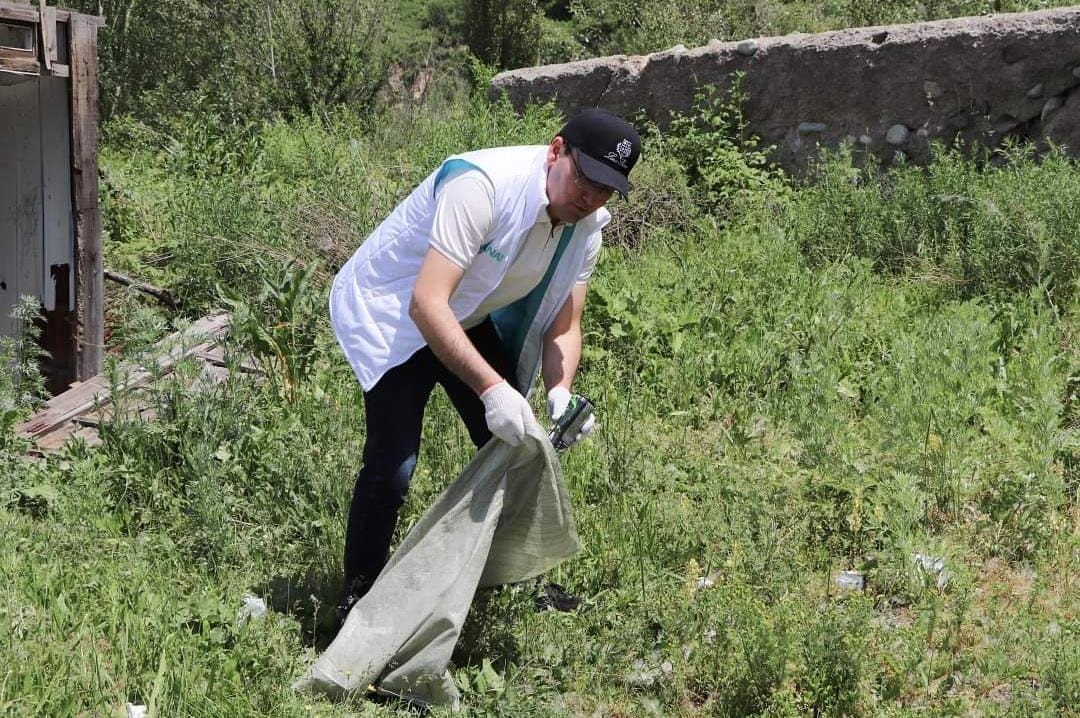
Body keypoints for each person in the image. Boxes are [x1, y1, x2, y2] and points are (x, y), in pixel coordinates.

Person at [329, 108, 642, 612]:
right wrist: (493, 389)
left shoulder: (586, 229)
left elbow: (565, 325)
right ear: (556, 151)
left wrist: (560, 392)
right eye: (585, 179)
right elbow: (427, 303)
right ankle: (357, 599)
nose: (590, 198)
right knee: (394, 466)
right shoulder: (482, 187)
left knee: (521, 450)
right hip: (398, 315)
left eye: (606, 190)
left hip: (467, 312)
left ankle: (514, 579)